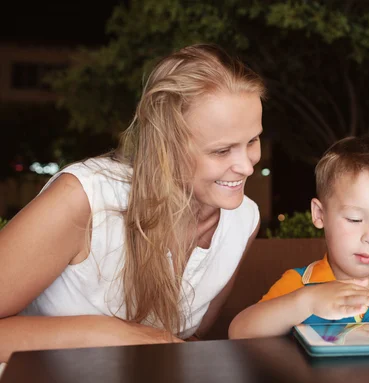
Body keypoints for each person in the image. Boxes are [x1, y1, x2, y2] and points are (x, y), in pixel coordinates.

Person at [0, 43, 265, 363]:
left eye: (252, 140)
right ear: (167, 146)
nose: (247, 166)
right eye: (222, 151)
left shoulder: (243, 219)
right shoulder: (84, 198)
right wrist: (108, 334)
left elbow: (187, 338)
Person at [229, 136, 369, 339]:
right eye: (354, 219)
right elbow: (239, 333)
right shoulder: (299, 286)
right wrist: (307, 302)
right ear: (319, 214)